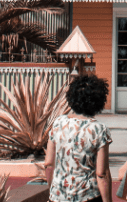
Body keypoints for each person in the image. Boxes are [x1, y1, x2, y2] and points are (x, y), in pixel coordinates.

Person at [44, 74, 112, 202]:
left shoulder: (58, 123)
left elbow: (48, 164)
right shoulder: (99, 129)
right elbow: (102, 174)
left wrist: (53, 191)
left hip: (58, 196)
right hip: (87, 195)